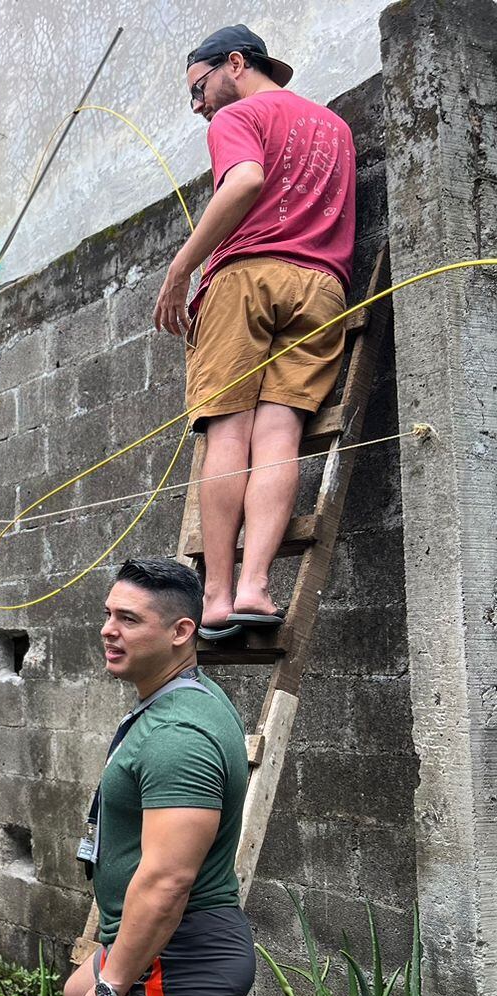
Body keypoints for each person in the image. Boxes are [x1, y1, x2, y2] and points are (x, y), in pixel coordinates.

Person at [13, 559, 254, 996]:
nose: (108, 630)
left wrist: (114, 983)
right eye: (107, 615)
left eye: (128, 619)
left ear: (180, 632)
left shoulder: (180, 734)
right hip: (159, 951)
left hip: (179, 960)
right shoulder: (170, 703)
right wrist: (100, 984)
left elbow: (168, 881)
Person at [153, 25, 356, 638]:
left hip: (246, 280)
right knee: (279, 435)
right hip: (322, 289)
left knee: (228, 434)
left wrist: (180, 270)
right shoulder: (336, 127)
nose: (198, 105)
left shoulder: (236, 117)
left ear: (236, 64)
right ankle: (257, 588)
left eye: (199, 88)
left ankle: (217, 596)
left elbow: (244, 181)